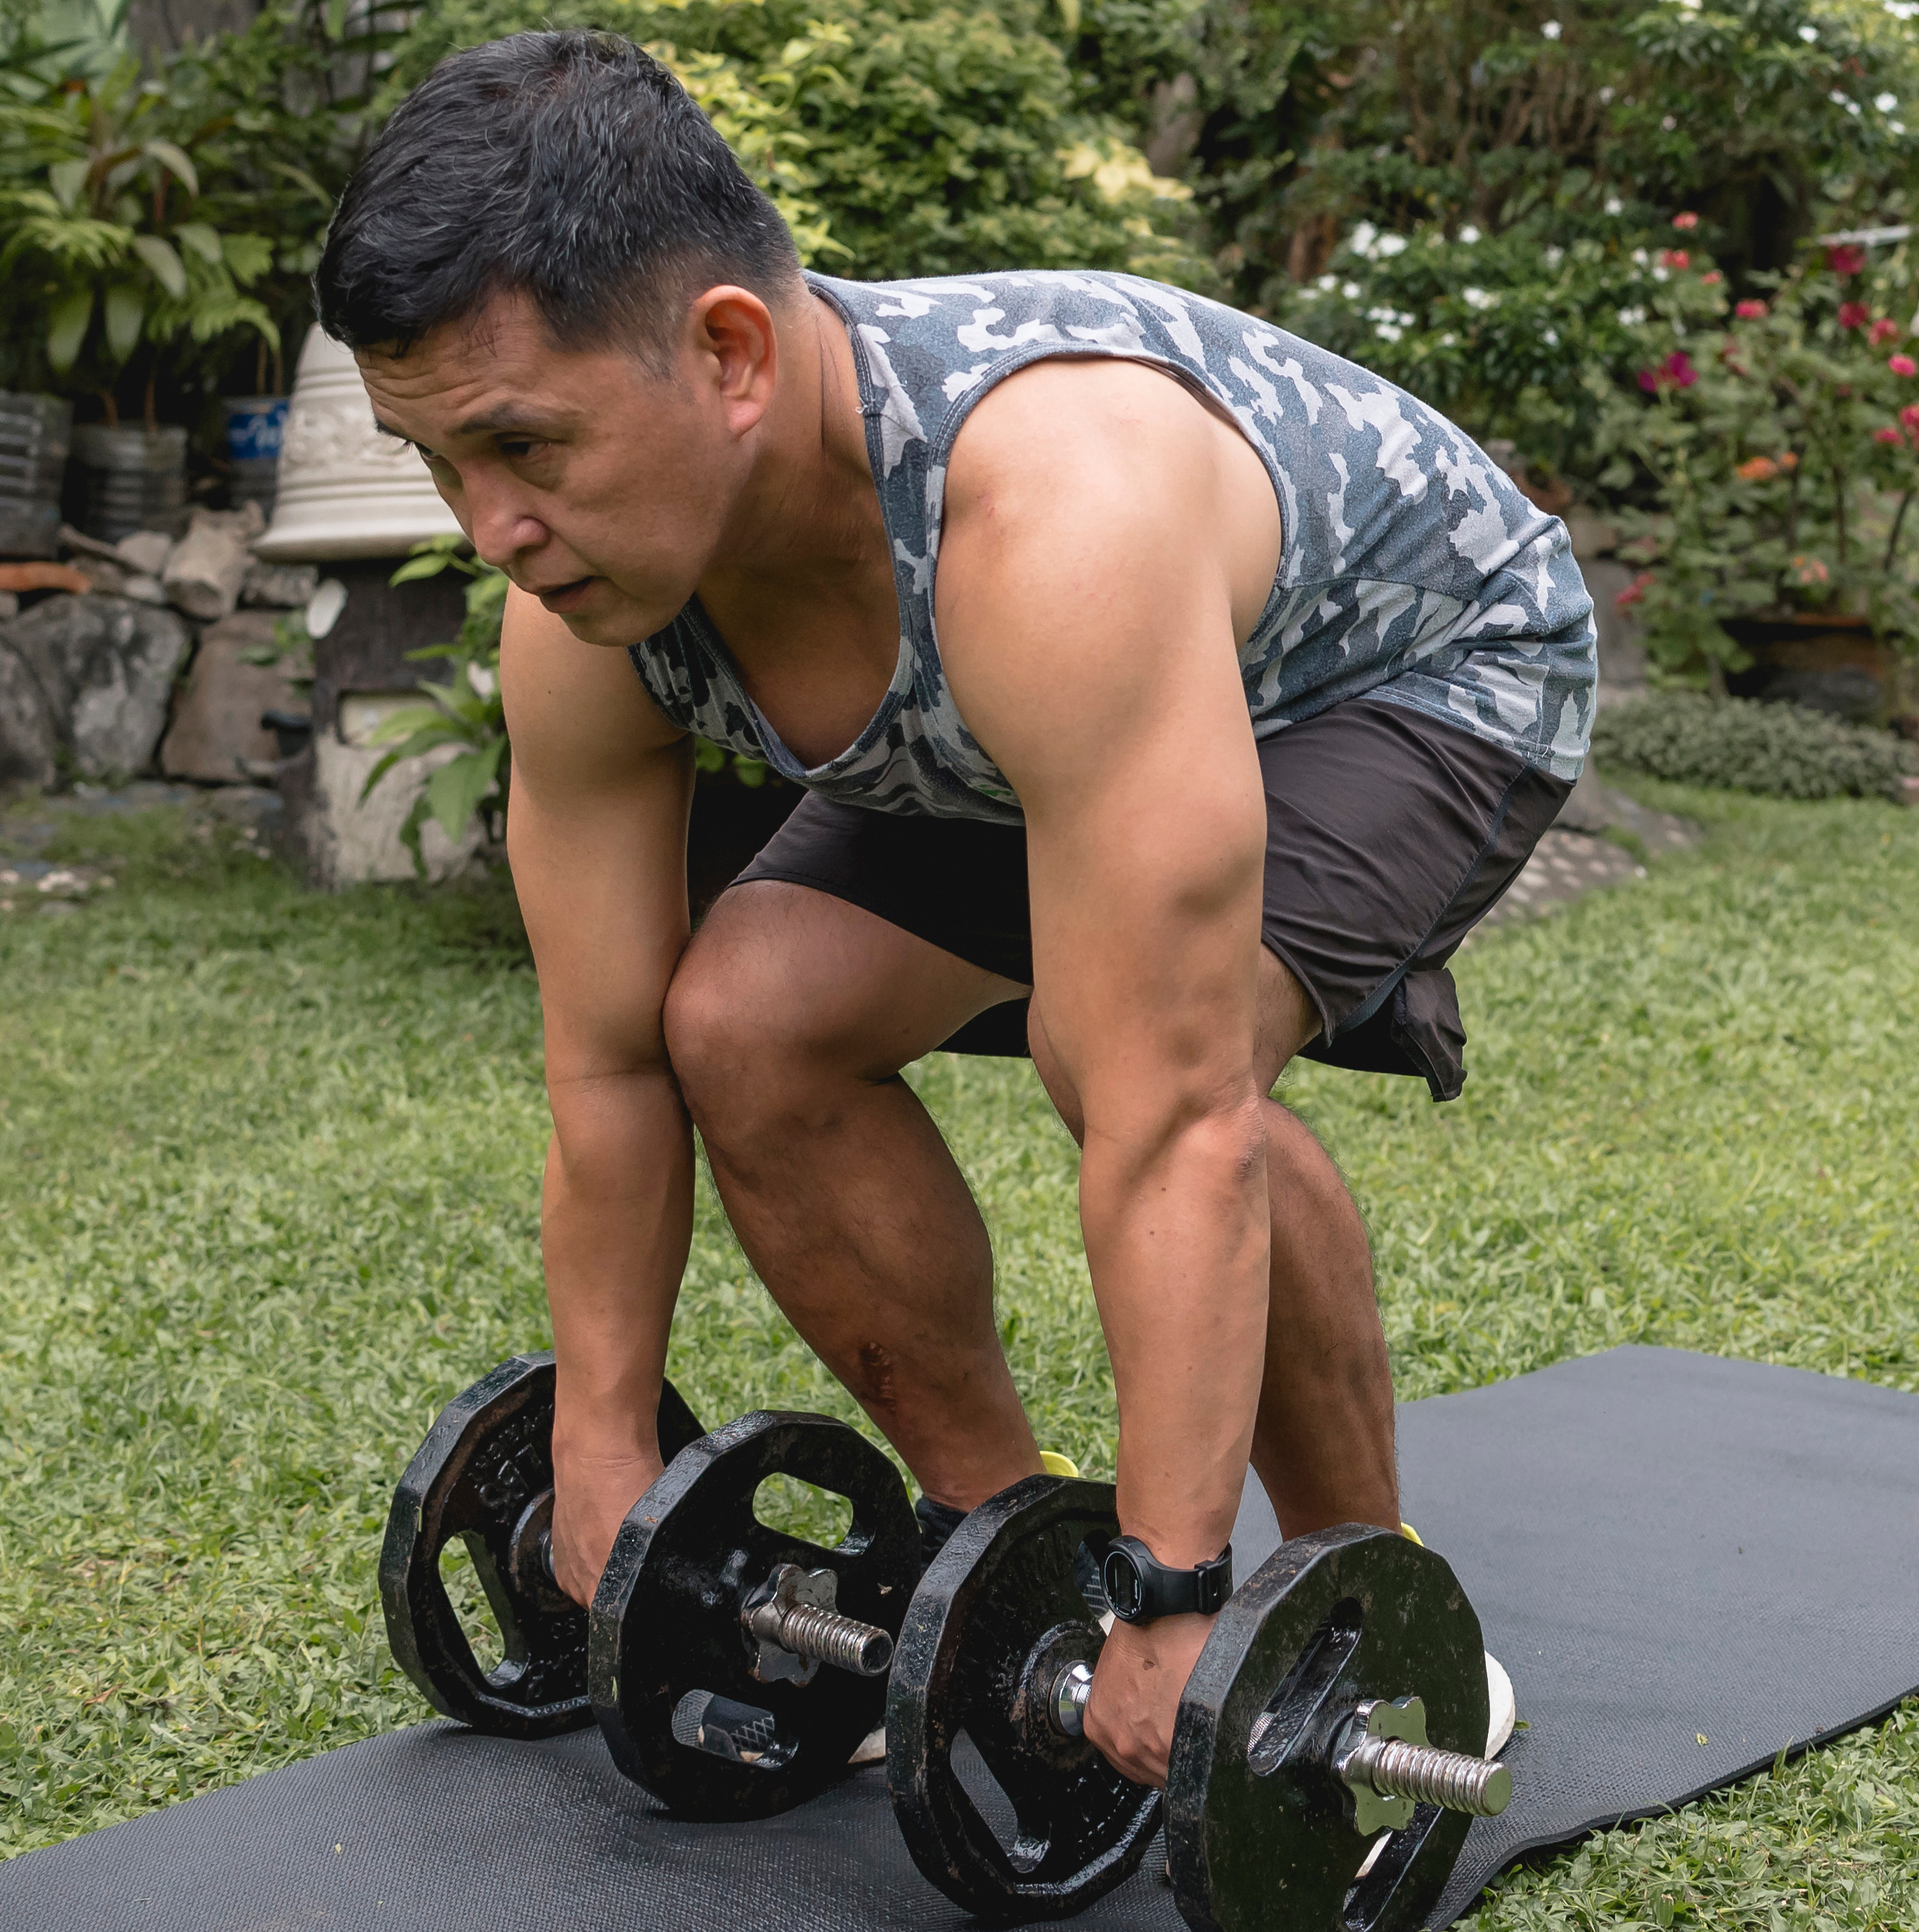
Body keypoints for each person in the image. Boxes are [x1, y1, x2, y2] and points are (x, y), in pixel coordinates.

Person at [311, 32, 1593, 1788]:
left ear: (729, 355)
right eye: (441, 463)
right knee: (738, 1026)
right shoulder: (587, 604)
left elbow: (1172, 1125)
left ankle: (1365, 1601)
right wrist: (600, 1439)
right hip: (1016, 722)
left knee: (1132, 1052)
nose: (491, 529)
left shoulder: (1044, 510)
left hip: (1403, 673)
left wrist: (1179, 1592)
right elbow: (606, 1065)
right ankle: (1006, 1546)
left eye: (523, 446)